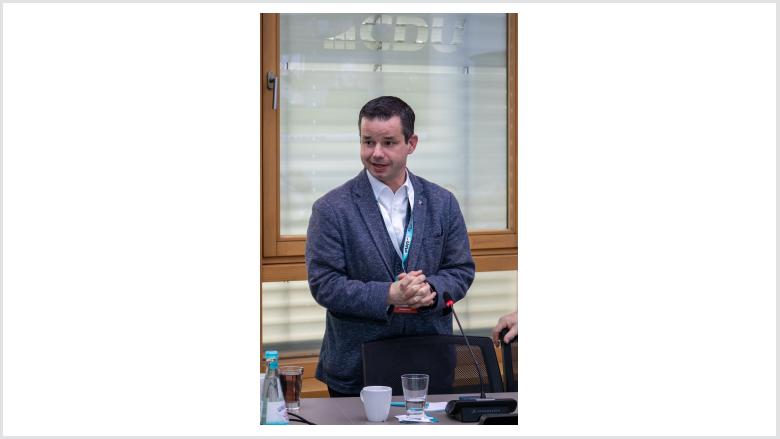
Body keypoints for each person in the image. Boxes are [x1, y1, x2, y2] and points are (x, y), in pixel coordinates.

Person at [305, 96, 475, 397]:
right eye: (368, 142)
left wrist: (431, 290)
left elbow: (460, 270)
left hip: (429, 361)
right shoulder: (331, 208)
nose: (376, 153)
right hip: (356, 367)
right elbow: (325, 285)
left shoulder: (443, 203)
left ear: (411, 143)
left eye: (389, 143)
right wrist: (388, 294)